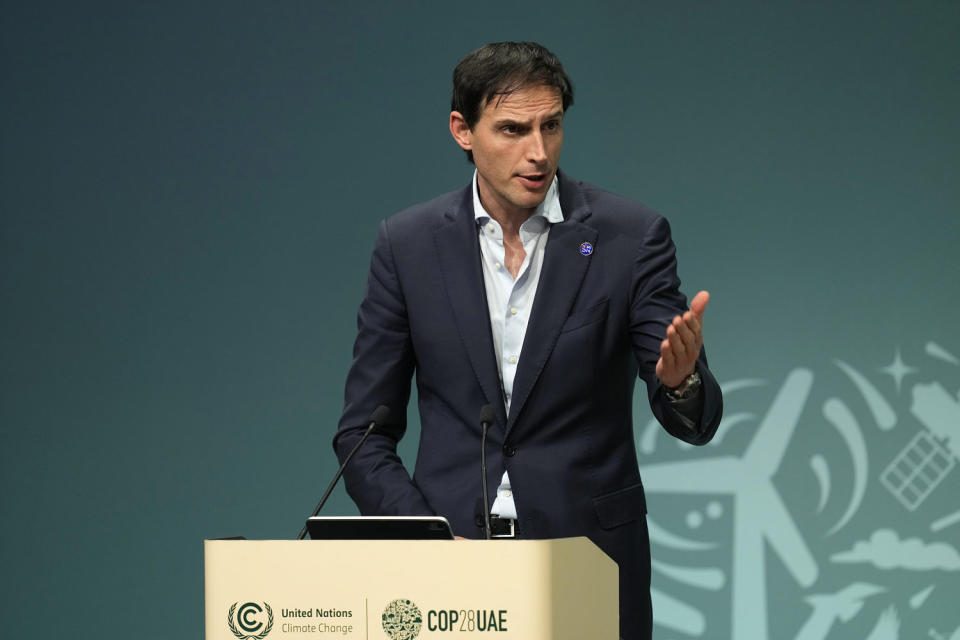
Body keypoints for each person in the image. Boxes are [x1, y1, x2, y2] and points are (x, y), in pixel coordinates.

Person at [333, 41, 723, 640]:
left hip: (588, 564)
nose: (537, 153)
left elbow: (689, 413)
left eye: (551, 126)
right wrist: (425, 537)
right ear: (463, 130)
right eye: (513, 130)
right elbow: (363, 434)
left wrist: (681, 381)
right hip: (451, 580)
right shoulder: (407, 247)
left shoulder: (629, 237)